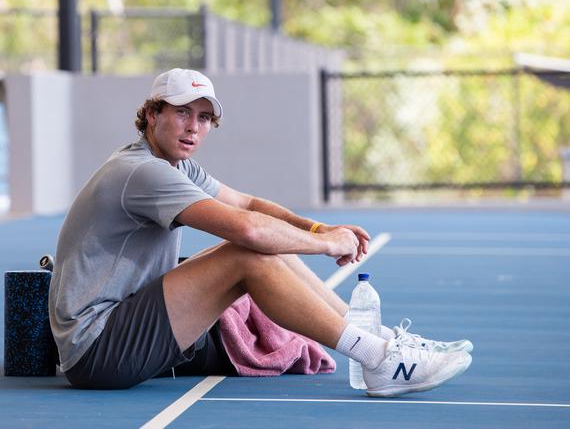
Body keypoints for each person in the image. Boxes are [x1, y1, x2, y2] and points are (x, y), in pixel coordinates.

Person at [49, 68, 472, 397]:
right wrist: (327, 244)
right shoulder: (142, 172)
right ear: (152, 113)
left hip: (120, 329)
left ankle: (382, 344)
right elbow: (249, 229)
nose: (193, 127)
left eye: (204, 117)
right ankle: (378, 360)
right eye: (181, 113)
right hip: (97, 350)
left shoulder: (176, 165)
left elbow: (249, 205)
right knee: (246, 252)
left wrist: (316, 227)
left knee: (267, 242)